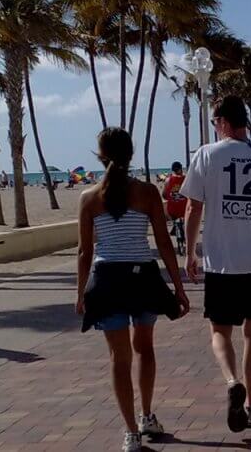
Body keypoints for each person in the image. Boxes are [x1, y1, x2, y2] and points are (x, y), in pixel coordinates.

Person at [182, 96, 251, 432]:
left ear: (224, 122)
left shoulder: (206, 154)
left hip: (222, 263)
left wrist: (190, 253)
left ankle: (232, 382)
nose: (215, 127)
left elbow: (192, 208)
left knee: (220, 331)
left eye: (216, 122)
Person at [76, 128, 189, 452]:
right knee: (145, 349)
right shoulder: (147, 192)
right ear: (130, 154)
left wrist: (80, 292)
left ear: (100, 156)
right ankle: (146, 415)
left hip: (107, 280)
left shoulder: (89, 198)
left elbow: (85, 252)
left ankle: (131, 433)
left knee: (119, 358)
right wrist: (178, 288)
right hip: (142, 278)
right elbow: (163, 242)